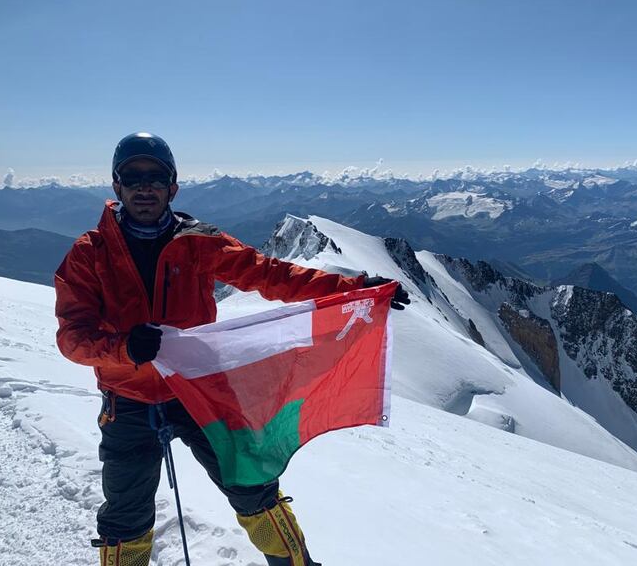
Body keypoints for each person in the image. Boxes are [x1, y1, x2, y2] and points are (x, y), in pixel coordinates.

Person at [54, 132, 410, 566]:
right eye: (133, 177)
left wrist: (353, 290)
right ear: (116, 185)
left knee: (252, 487)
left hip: (198, 388)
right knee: (126, 519)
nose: (143, 186)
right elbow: (72, 338)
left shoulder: (198, 242)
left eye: (155, 177)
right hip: (128, 399)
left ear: (173, 187)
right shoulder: (89, 254)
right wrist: (125, 347)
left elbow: (271, 275)